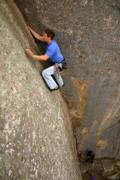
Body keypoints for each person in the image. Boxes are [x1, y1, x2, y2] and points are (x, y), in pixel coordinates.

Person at [26, 26, 66, 91]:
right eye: (43, 35)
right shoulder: (49, 41)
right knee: (55, 72)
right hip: (59, 63)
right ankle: (61, 84)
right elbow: (39, 37)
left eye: (44, 36)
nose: (43, 37)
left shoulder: (52, 46)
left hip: (60, 64)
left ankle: (54, 87)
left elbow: (45, 58)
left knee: (45, 73)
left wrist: (33, 56)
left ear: (49, 38)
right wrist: (30, 29)